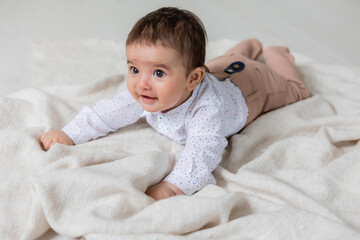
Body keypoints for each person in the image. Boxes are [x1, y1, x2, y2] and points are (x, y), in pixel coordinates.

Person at [40, 7, 310, 201]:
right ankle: (248, 46)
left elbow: (202, 152)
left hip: (251, 88)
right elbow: (107, 113)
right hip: (215, 70)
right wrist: (70, 134)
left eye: (158, 73)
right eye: (134, 69)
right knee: (224, 61)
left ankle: (275, 54)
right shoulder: (149, 91)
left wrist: (174, 186)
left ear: (193, 80)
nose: (142, 83)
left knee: (296, 90)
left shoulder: (208, 110)